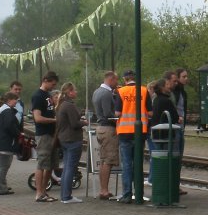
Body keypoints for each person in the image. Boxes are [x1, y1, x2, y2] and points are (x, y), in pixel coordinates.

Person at [116, 69, 149, 203]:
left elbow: (117, 113)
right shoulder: (144, 90)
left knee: (126, 164)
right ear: (135, 77)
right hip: (140, 132)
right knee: (138, 163)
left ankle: (127, 194)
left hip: (124, 132)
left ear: (125, 79)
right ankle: (139, 193)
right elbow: (151, 112)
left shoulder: (120, 92)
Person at [31, 71, 61, 202]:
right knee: (42, 164)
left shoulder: (48, 96)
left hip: (52, 135)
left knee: (51, 165)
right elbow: (37, 118)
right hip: (44, 135)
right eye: (52, 84)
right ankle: (38, 193)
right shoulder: (38, 96)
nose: (53, 87)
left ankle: (44, 191)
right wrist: (54, 120)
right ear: (45, 80)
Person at [91, 71, 120, 201]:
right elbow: (109, 113)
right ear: (111, 79)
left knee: (103, 160)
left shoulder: (97, 92)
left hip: (100, 128)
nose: (117, 83)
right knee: (108, 160)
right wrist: (120, 118)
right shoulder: (107, 94)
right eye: (116, 80)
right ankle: (104, 190)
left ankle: (103, 189)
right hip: (108, 129)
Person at [55, 82, 85, 204]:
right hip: (73, 140)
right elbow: (74, 124)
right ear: (69, 92)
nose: (76, 92)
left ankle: (64, 195)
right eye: (75, 90)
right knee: (70, 168)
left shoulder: (61, 105)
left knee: (67, 167)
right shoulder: (69, 106)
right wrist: (84, 122)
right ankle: (67, 196)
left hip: (64, 139)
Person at [0, 91, 22, 196]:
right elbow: (10, 126)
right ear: (9, 100)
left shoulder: (2, 110)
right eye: (15, 99)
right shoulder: (8, 112)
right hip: (5, 144)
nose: (16, 102)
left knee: (0, 166)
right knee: (4, 166)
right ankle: (1, 188)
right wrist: (18, 134)